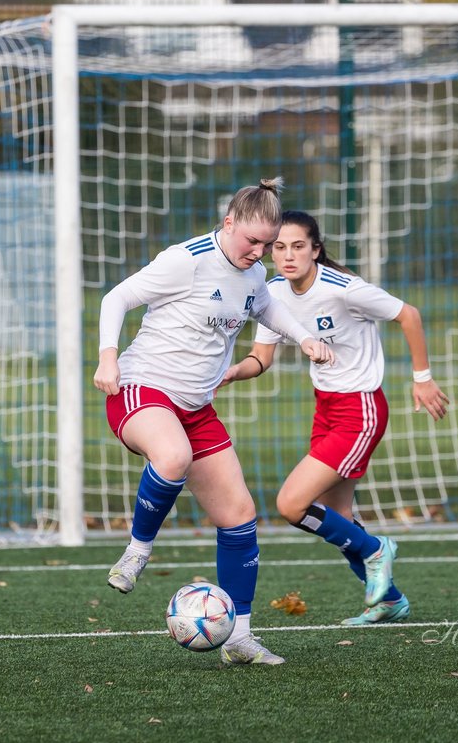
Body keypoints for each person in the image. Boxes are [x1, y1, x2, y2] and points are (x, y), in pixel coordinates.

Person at [93, 178, 335, 666]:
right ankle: (138, 551)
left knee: (240, 516)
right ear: (229, 223)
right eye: (253, 241)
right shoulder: (187, 260)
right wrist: (107, 358)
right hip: (141, 388)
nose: (260, 252)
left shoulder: (252, 275)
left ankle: (241, 637)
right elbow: (116, 298)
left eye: (268, 244)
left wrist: (306, 340)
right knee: (173, 455)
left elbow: (270, 308)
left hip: (196, 406)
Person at [221, 210, 449, 625]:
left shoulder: (344, 289)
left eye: (298, 246)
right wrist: (234, 372)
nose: (288, 255)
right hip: (325, 407)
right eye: (279, 247)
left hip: (360, 410)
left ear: (316, 250)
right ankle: (388, 600)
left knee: (292, 504)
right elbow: (261, 358)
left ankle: (377, 550)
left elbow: (408, 315)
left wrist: (423, 379)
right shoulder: (274, 293)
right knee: (339, 518)